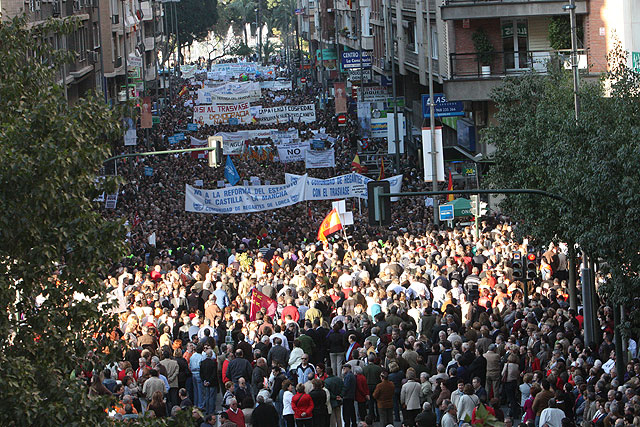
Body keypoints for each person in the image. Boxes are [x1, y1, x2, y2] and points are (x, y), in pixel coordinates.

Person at [200, 348, 218, 415]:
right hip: (212, 382)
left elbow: (201, 373)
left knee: (207, 396)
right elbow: (214, 373)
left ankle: (207, 410)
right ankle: (211, 410)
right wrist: (209, 381)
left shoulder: (202, 363)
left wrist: (204, 381)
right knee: (212, 397)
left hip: (205, 381)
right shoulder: (213, 363)